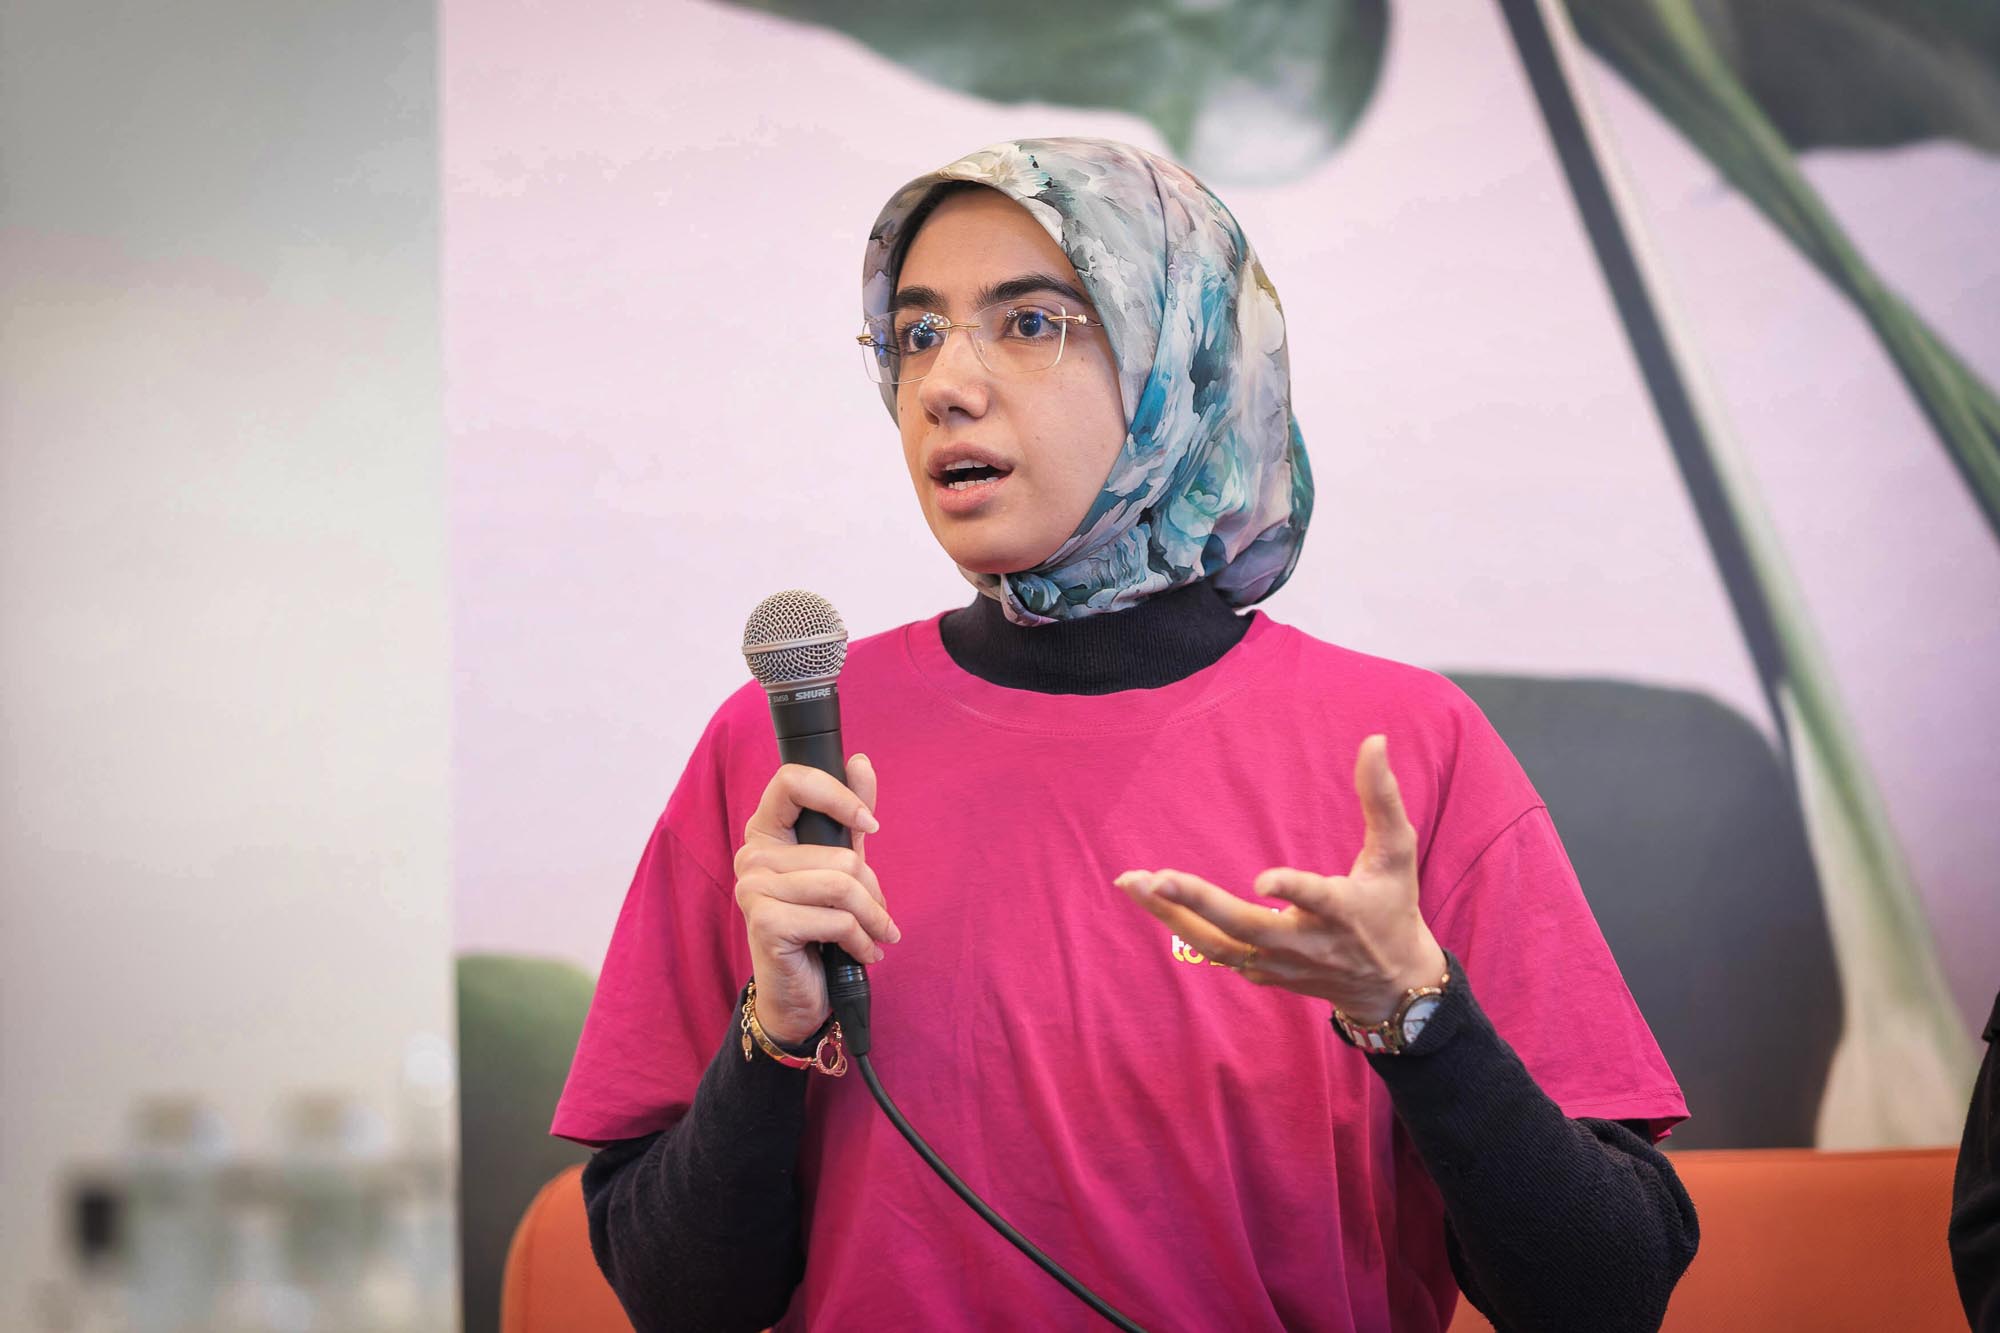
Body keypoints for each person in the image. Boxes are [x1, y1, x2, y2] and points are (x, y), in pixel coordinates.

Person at [552, 137, 1698, 1332]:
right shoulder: (786, 758)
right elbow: (673, 1299)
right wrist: (774, 1033)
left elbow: (1604, 1294)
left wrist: (1415, 1015)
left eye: (1030, 322)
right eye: (915, 333)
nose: (943, 384)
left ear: (1180, 357)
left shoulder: (1405, 746)